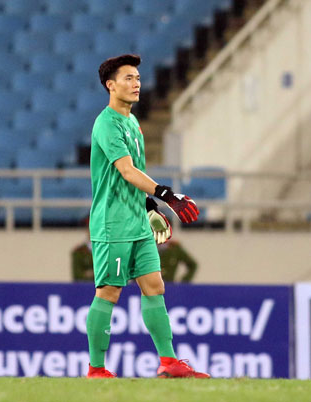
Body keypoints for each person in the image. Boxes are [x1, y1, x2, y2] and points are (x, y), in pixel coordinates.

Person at [85, 54, 209, 379]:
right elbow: (126, 171)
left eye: (138, 77)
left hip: (137, 222)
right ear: (110, 85)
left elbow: (136, 173)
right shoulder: (107, 123)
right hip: (112, 224)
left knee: (154, 286)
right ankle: (96, 368)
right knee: (109, 292)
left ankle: (168, 362)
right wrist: (166, 195)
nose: (136, 83)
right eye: (128, 78)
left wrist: (149, 208)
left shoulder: (132, 123)